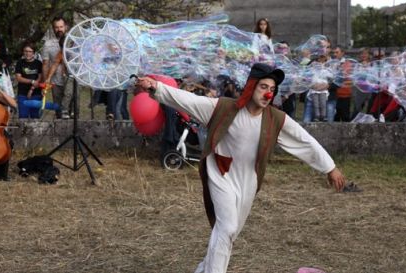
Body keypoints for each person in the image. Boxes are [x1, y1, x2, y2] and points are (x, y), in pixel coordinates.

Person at [136, 63, 346, 273]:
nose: (268, 93)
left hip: (248, 181)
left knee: (228, 233)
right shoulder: (223, 108)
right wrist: (157, 88)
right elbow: (189, 100)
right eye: (263, 87)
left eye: (272, 90)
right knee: (227, 228)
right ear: (252, 86)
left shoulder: (275, 119)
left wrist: (330, 167)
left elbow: (305, 140)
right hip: (221, 172)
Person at [42, 17, 69, 119]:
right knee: (59, 111)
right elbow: (45, 64)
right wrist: (45, 82)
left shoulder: (72, 40)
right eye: (56, 27)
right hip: (56, 82)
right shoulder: (48, 44)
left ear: (65, 27)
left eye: (61, 27)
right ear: (53, 28)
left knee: (73, 110)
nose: (59, 29)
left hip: (72, 80)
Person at [15, 42, 43, 118]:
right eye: (26, 51)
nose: (27, 53)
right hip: (22, 93)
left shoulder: (38, 63)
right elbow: (18, 78)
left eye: (30, 51)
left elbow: (40, 77)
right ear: (23, 52)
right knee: (23, 117)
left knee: (35, 116)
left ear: (33, 53)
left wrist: (32, 89)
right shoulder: (20, 63)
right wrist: (32, 81)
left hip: (36, 93)